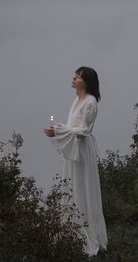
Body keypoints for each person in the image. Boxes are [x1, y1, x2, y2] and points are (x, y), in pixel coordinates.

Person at [44, 66, 107, 256]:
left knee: (83, 189)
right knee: (72, 188)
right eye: (75, 76)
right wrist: (59, 129)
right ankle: (70, 232)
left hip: (82, 152)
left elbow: (84, 131)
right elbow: (74, 127)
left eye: (78, 77)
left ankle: (87, 235)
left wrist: (59, 131)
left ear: (86, 82)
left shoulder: (90, 103)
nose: (74, 79)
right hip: (74, 151)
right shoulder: (76, 100)